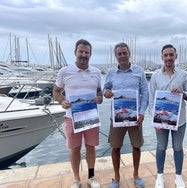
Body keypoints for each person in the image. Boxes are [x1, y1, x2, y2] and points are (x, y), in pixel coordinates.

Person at [53, 39, 103, 188]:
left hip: (91, 117)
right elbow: (56, 90)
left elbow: (98, 91)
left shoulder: (96, 72)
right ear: (75, 52)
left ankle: (91, 177)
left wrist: (99, 98)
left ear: (90, 54)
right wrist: (62, 101)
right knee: (75, 148)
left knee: (90, 147)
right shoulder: (65, 71)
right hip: (71, 117)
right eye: (81, 51)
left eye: (86, 52)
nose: (83, 54)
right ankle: (76, 179)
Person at [103, 42, 149, 188]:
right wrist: (106, 93)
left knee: (136, 146)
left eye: (125, 53)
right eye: (119, 54)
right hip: (116, 117)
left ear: (129, 54)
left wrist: (141, 112)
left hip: (135, 117)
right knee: (115, 147)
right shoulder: (110, 73)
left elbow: (145, 93)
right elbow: (106, 89)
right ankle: (116, 177)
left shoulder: (139, 71)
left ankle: (136, 174)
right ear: (116, 56)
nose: (122, 56)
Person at [149, 44, 187, 188]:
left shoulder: (184, 75)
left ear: (176, 56)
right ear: (162, 57)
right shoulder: (155, 76)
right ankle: (160, 176)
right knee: (161, 147)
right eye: (166, 55)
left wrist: (183, 94)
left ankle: (178, 177)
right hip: (161, 120)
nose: (168, 58)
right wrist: (155, 119)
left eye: (171, 55)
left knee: (178, 147)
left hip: (179, 120)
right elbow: (151, 101)